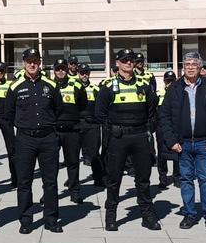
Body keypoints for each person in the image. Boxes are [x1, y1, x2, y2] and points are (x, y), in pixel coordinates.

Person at [96, 48, 161, 231]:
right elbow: (99, 113)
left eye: (131, 60)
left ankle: (147, 215)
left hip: (140, 137)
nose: (128, 63)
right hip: (118, 138)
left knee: (143, 178)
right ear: (117, 63)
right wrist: (112, 129)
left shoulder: (144, 85)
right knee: (114, 178)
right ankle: (111, 216)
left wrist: (148, 130)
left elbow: (152, 111)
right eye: (124, 60)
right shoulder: (108, 86)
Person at [159, 52, 206, 231]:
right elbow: (164, 116)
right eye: (187, 64)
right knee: (186, 179)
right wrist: (172, 141)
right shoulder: (175, 88)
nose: (190, 67)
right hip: (183, 143)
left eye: (194, 64)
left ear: (200, 67)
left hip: (204, 143)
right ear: (183, 68)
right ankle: (189, 214)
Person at [4, 47, 64, 233]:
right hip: (25, 140)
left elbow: (59, 109)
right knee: (24, 182)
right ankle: (26, 220)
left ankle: (51, 219)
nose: (32, 64)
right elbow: (8, 114)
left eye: (35, 61)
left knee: (50, 182)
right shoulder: (15, 86)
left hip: (48, 139)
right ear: (24, 63)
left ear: (40, 63)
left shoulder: (51, 85)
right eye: (29, 61)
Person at [51, 58, 88, 204]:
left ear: (67, 69)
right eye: (58, 69)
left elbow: (83, 104)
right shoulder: (48, 85)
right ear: (54, 70)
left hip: (72, 130)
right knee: (51, 164)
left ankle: (74, 191)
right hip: (53, 131)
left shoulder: (77, 85)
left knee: (73, 163)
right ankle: (49, 193)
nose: (60, 71)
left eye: (63, 68)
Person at [76, 64, 105, 193]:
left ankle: (98, 178)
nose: (84, 75)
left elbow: (100, 107)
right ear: (78, 73)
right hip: (77, 124)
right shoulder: (74, 88)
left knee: (94, 154)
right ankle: (73, 180)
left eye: (86, 72)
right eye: (82, 72)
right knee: (73, 155)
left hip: (92, 125)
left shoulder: (95, 89)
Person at [0, 62, 17, 185]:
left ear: (5, 72)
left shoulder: (10, 85)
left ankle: (15, 178)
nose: (0, 73)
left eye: (2, 71)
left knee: (12, 150)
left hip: (6, 121)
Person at [154, 70, 177, 189]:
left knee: (178, 152)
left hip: (175, 127)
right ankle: (162, 179)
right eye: (168, 81)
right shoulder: (158, 93)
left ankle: (177, 178)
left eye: (172, 81)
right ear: (164, 81)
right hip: (161, 127)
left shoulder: (180, 93)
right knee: (161, 154)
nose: (170, 83)